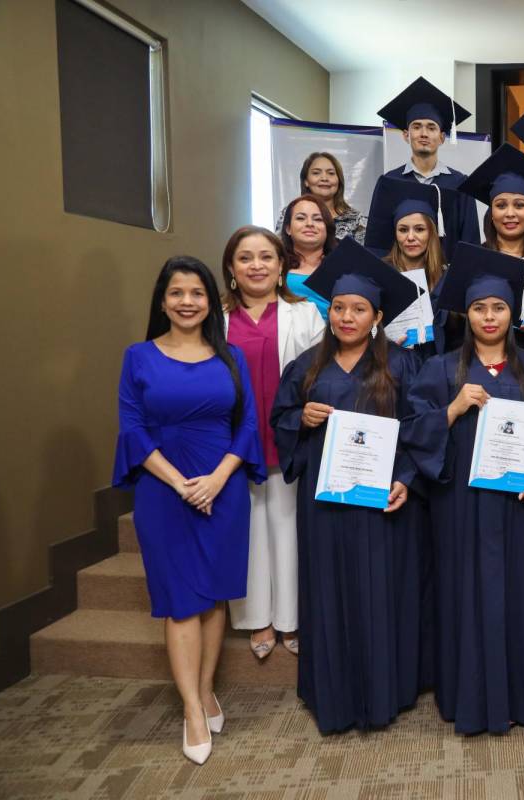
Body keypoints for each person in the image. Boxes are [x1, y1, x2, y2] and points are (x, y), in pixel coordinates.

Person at [269, 239, 427, 734]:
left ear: (376, 316)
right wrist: (302, 416)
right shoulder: (305, 367)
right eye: (338, 307)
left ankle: (385, 693)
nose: (346, 317)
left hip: (380, 503)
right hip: (326, 501)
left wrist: (405, 478)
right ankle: (331, 693)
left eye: (358, 309)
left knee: (381, 592)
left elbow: (419, 428)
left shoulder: (400, 365)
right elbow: (280, 420)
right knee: (329, 589)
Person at [113, 257, 264, 765]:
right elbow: (132, 429)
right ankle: (192, 711)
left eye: (197, 293)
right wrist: (180, 483)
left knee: (215, 597)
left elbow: (246, 427)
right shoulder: (138, 357)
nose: (186, 302)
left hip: (223, 487)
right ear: (162, 301)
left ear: (210, 301)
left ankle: (205, 691)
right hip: (164, 490)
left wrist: (218, 479)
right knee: (181, 600)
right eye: (176, 293)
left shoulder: (231, 357)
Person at [403, 243, 524, 735]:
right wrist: (452, 408)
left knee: (518, 597)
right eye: (479, 308)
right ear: (465, 314)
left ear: (514, 312)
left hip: (518, 508)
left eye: (499, 307)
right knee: (464, 596)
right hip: (460, 507)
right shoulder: (440, 370)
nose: (489, 317)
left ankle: (519, 696)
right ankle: (467, 695)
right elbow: (412, 433)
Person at [219, 226, 325, 660]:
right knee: (247, 529)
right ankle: (256, 619)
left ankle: (290, 619)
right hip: (232, 442)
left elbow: (323, 372)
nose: (257, 265)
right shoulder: (216, 320)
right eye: (246, 258)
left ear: (282, 265)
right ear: (231, 268)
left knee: (287, 525)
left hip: (288, 436)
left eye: (266, 257)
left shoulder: (305, 315)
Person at [457, 144, 524, 361]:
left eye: (519, 205)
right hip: (479, 366)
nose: (510, 213)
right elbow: (444, 318)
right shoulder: (471, 260)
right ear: (491, 213)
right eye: (501, 205)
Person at [378, 76, 480, 261]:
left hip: (447, 282)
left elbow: (470, 241)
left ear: (442, 137)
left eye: (431, 128)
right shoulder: (389, 183)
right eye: (417, 127)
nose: (424, 133)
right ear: (406, 135)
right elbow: (380, 243)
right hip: (402, 279)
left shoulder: (461, 185)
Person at [366, 174, 453, 358]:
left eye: (419, 229)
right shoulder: (380, 274)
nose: (410, 237)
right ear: (395, 233)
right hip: (389, 363)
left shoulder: (447, 277)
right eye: (403, 229)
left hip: (436, 365)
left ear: (432, 233)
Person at [275, 152, 367, 243]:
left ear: (339, 181)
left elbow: (365, 257)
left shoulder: (357, 220)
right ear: (306, 181)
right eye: (316, 173)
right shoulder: (289, 213)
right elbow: (278, 251)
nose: (324, 178)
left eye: (331, 173)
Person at [280, 194, 338, 319]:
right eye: (301, 218)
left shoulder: (343, 268)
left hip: (333, 336)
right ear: (288, 229)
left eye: (318, 219)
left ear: (327, 228)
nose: (310, 224)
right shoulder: (276, 267)